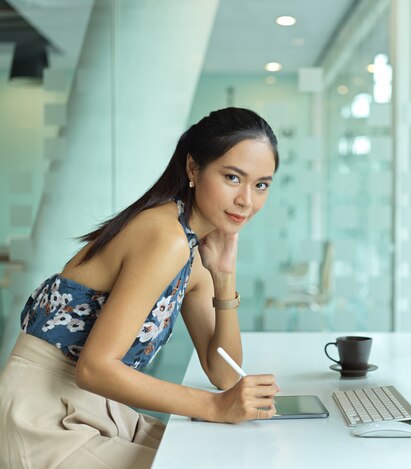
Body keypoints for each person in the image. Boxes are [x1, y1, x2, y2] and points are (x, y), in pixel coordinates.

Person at [0, 107, 281, 468]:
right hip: (44, 415)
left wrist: (224, 277)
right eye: (232, 178)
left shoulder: (192, 252)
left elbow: (224, 372)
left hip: (98, 408)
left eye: (261, 185)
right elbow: (94, 368)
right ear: (193, 169)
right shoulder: (165, 236)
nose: (247, 200)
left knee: (224, 455)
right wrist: (213, 406)